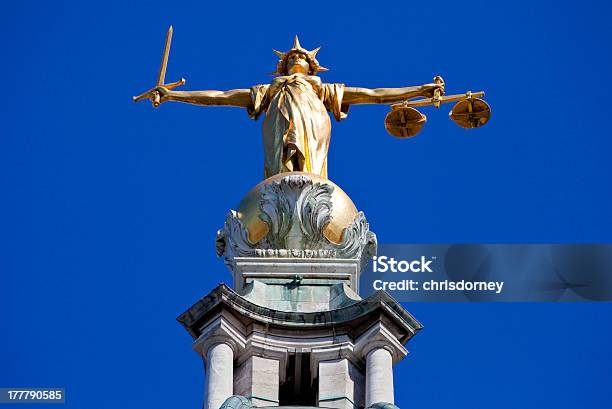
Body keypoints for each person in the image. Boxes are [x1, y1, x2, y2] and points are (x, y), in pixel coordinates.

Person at [151, 36, 444, 178]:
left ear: (312, 66)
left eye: (300, 57)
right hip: (278, 121)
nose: (296, 58)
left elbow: (374, 94)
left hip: (314, 121)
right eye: (291, 57)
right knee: (281, 170)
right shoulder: (270, 89)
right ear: (282, 66)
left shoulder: (321, 89)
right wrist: (176, 95)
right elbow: (223, 96)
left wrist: (420, 89)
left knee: (311, 171)